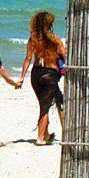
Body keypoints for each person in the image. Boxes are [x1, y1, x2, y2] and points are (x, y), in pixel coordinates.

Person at [20, 11, 68, 145]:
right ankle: (40, 137)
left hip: (36, 74)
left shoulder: (33, 40)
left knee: (46, 103)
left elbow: (28, 59)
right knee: (46, 106)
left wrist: (22, 77)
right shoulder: (55, 39)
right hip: (50, 74)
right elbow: (64, 55)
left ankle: (46, 134)